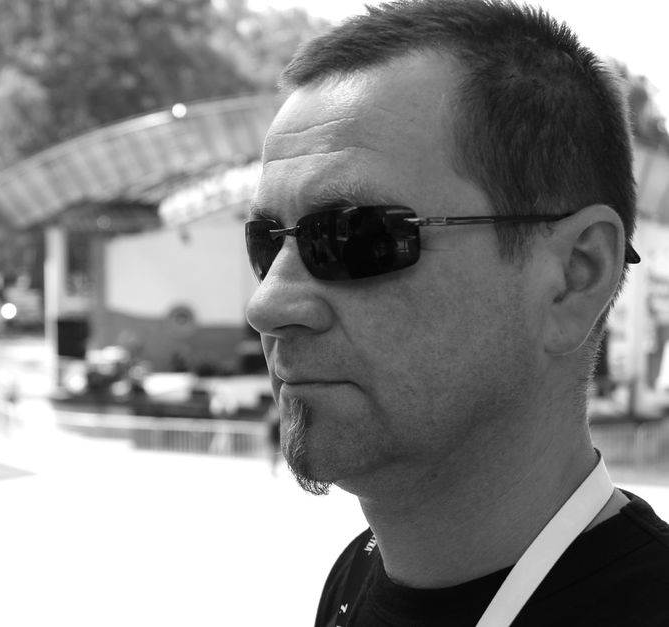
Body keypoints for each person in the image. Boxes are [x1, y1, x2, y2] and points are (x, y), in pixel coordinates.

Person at [242, 1, 669, 625]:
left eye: (356, 236)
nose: (266, 306)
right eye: (265, 242)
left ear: (574, 277)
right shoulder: (354, 576)